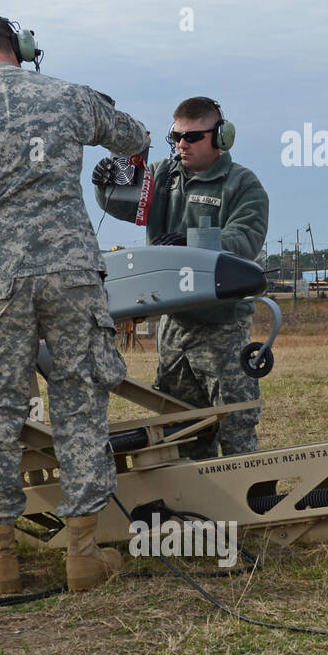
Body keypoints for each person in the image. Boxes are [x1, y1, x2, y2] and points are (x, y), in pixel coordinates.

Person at [0, 12, 150, 594]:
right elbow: (136, 137)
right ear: (22, 47)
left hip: (0, 282)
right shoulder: (70, 96)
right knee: (80, 405)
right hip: (73, 276)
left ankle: (3, 563)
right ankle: (83, 557)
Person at [111, 96, 269, 458]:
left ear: (221, 137)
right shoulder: (162, 176)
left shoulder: (242, 185)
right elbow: (123, 204)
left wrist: (189, 243)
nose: (182, 144)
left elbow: (244, 240)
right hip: (174, 324)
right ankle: (194, 492)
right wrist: (109, 182)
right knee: (179, 425)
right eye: (176, 136)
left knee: (236, 422)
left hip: (222, 327)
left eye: (193, 137)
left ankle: (248, 490)